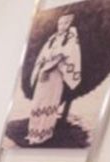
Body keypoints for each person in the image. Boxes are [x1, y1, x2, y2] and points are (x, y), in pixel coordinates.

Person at [26, 14, 81, 146]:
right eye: (60, 23)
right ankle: (34, 133)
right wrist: (41, 69)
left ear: (69, 24)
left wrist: (47, 69)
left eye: (64, 23)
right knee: (38, 103)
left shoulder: (71, 38)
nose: (61, 26)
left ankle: (43, 134)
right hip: (43, 75)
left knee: (48, 103)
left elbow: (64, 56)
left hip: (55, 75)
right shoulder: (53, 38)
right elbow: (43, 55)